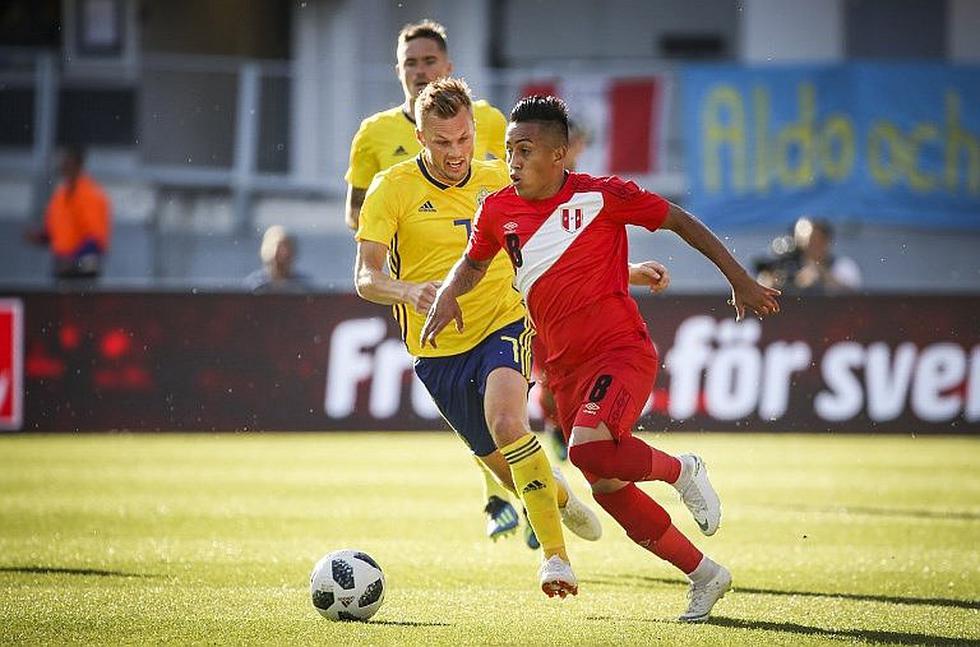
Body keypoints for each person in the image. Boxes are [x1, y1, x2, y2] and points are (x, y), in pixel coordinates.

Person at [421, 95, 782, 622]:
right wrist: (449, 295)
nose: (513, 161)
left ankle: (682, 470)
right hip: (564, 371)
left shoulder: (603, 196)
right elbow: (473, 264)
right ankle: (705, 575)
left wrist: (740, 279)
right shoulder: (497, 209)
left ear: (559, 154)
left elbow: (679, 220)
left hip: (620, 350)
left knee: (588, 450)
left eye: (525, 150)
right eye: (509, 150)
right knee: (607, 485)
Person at [354, 78, 605, 598]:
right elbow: (366, 277)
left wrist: (625, 271)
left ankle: (556, 560)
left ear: (475, 130)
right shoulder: (391, 188)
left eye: (464, 138)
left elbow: (563, 241)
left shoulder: (499, 181)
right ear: (420, 138)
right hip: (436, 351)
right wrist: (408, 291)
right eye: (442, 142)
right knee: (510, 471)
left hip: (503, 321)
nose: (456, 152)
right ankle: (556, 494)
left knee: (508, 422)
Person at [343, 19, 517, 543]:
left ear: (448, 67)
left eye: (429, 61)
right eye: (411, 63)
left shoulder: (487, 119)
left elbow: (514, 191)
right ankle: (523, 488)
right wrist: (398, 231)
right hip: (421, 293)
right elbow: (356, 215)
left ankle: (514, 494)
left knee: (508, 405)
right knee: (476, 412)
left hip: (498, 291)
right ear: (398, 71)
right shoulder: (375, 135)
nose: (420, 71)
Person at [26, 146, 111, 279]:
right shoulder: (60, 196)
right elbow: (56, 233)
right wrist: (39, 237)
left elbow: (95, 239)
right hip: (62, 267)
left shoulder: (91, 195)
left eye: (67, 161)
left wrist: (74, 260)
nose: (62, 164)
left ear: (78, 163)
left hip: (84, 270)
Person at [755, 217, 861, 294]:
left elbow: (852, 295)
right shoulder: (788, 265)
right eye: (806, 241)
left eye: (816, 240)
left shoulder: (843, 265)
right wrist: (775, 280)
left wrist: (821, 274)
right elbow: (763, 289)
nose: (811, 246)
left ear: (827, 241)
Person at [244, 225, 311, 293]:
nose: (284, 253)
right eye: (280, 247)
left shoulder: (304, 286)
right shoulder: (253, 285)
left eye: (288, 247)